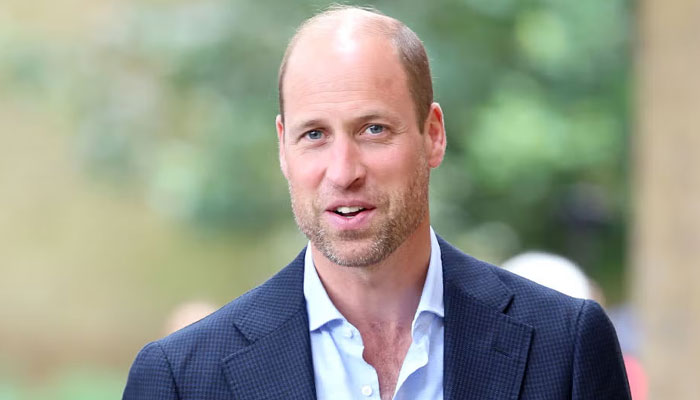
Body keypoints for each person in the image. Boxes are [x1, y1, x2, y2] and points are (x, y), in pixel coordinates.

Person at [123, 6, 631, 400]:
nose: (343, 171)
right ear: (283, 148)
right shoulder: (182, 377)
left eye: (373, 129)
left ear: (433, 135)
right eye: (314, 134)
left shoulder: (565, 346)